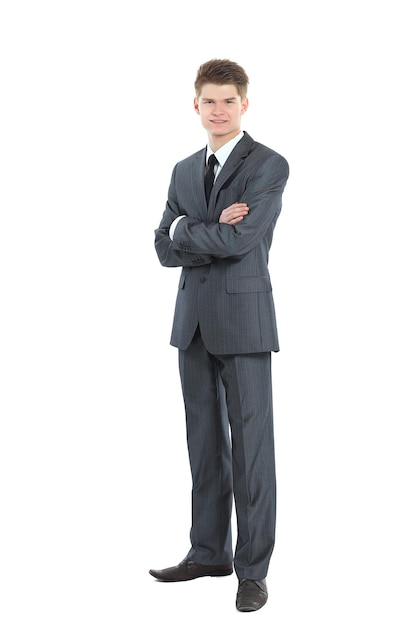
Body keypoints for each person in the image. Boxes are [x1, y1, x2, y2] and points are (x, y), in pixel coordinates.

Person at [150, 58, 289, 612]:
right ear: (196, 105)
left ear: (245, 104)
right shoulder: (184, 169)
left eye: (229, 100)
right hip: (193, 325)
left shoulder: (268, 165)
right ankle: (209, 550)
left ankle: (252, 570)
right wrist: (192, 228)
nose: (219, 110)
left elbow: (241, 242)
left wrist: (188, 228)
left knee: (252, 449)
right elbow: (163, 246)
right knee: (203, 445)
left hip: (245, 321)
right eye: (210, 101)